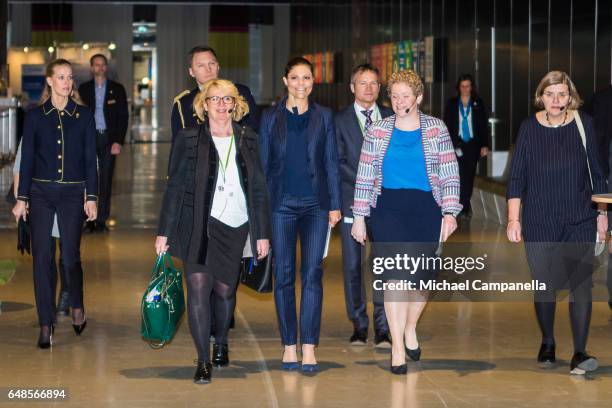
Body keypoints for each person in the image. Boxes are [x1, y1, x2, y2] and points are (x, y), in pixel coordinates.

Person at [155, 79, 271, 384]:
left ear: (235, 104)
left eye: (227, 99)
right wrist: (164, 232)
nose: (221, 105)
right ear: (203, 104)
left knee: (224, 291)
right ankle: (203, 360)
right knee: (197, 288)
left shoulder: (249, 138)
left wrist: (261, 232)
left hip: (236, 224)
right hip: (197, 226)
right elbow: (175, 187)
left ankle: (221, 340)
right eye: (214, 99)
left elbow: (258, 188)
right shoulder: (189, 138)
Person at [351, 69, 461, 375]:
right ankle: (397, 347)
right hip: (387, 209)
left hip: (427, 208)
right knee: (395, 279)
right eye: (395, 96)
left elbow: (451, 172)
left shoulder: (437, 129)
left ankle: (410, 327)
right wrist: (359, 217)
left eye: (406, 96)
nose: (399, 102)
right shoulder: (378, 130)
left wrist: (450, 212)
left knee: (421, 281)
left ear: (419, 97)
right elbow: (365, 174)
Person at [507, 71, 607, 375]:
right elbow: (517, 177)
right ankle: (548, 340)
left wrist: (602, 214)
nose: (556, 100)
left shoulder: (584, 124)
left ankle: (579, 351)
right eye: (550, 94)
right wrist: (514, 218)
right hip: (539, 220)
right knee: (545, 285)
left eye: (562, 94)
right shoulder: (528, 128)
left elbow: (598, 173)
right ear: (541, 96)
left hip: (580, 217)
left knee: (582, 286)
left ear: (571, 97)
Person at [258, 57, 341, 373]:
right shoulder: (269, 118)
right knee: (284, 277)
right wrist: (261, 211)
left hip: (316, 206)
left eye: (307, 78)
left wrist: (335, 204)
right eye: (295, 78)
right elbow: (263, 168)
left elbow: (331, 162)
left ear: (313, 81)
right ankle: (288, 345)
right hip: (281, 206)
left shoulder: (324, 117)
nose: (301, 84)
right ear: (285, 80)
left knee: (312, 275)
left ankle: (309, 346)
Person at [12, 59, 98, 348]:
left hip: (73, 194)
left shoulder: (84, 116)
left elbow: (90, 161)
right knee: (42, 258)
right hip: (41, 194)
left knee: (70, 257)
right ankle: (46, 322)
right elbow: (27, 162)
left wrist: (92, 197)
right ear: (49, 81)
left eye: (69, 77)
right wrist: (22, 198)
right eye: (60, 77)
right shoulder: (35, 117)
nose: (66, 82)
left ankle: (76, 302)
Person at [335, 63, 393, 348]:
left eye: (373, 83)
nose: (368, 88)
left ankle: (384, 328)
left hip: (386, 205)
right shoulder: (339, 121)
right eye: (362, 83)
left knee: (383, 266)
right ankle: (359, 325)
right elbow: (337, 162)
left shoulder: (393, 118)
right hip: (350, 202)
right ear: (352, 87)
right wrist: (366, 179)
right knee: (353, 267)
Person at [13, 141, 69, 316]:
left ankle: (67, 292)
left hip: (68, 200)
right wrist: (21, 199)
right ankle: (46, 306)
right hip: (39, 201)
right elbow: (19, 167)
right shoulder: (34, 123)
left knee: (68, 253)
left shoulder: (77, 121)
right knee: (44, 255)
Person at [78, 54, 129, 232]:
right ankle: (88, 218)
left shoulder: (117, 89)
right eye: (96, 65)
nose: (99, 68)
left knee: (105, 180)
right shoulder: (83, 89)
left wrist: (118, 141)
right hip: (88, 139)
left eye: (102, 65)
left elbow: (123, 117)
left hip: (108, 139)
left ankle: (101, 219)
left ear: (106, 67)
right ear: (91, 68)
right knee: (88, 178)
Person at [171, 45, 260, 142]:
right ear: (191, 72)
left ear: (218, 67)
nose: (208, 69)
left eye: (212, 64)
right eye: (201, 65)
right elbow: (178, 146)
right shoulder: (183, 104)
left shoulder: (240, 93)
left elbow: (255, 130)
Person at [443, 74, 489, 220]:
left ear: (472, 87)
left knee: (468, 177)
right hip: (456, 143)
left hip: (472, 144)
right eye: (462, 86)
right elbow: (447, 124)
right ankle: (457, 206)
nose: (465, 89)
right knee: (457, 176)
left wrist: (485, 144)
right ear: (458, 87)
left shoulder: (478, 103)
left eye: (467, 86)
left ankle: (464, 207)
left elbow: (483, 125)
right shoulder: (452, 103)